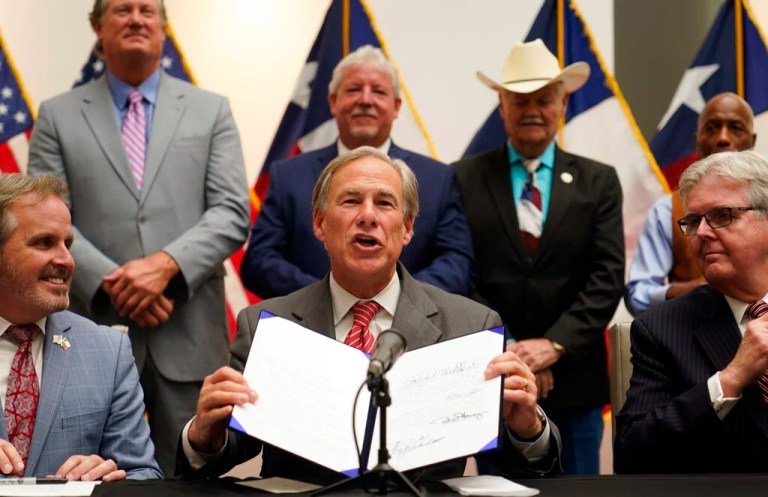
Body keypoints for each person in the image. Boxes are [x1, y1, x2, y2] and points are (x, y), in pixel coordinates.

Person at [177, 147, 561, 482]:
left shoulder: (471, 326)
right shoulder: (264, 326)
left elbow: (523, 464)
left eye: (385, 202)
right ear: (319, 223)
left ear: (407, 227)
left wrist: (528, 427)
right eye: (350, 200)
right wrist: (204, 435)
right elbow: (229, 449)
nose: (368, 216)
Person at [26, 0, 250, 475]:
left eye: (148, 10)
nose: (136, 18)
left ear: (164, 29)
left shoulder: (211, 110)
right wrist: (116, 283)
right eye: (122, 9)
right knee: (85, 474)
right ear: (97, 28)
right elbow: (42, 219)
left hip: (188, 335)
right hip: (88, 333)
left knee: (199, 474)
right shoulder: (57, 115)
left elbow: (232, 212)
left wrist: (165, 266)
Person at [452, 39, 624, 474]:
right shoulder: (462, 177)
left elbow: (606, 277)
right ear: (502, 105)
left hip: (576, 381)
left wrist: (553, 346)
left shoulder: (599, 181)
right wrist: (510, 350)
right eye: (520, 100)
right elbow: (459, 273)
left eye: (543, 100)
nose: (533, 110)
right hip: (494, 379)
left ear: (562, 104)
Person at [240, 45, 474, 299]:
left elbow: (458, 265)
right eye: (353, 89)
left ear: (396, 106)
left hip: (413, 332)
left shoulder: (437, 179)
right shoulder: (288, 176)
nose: (365, 99)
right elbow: (259, 262)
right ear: (333, 102)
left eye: (378, 91)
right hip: (308, 329)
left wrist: (397, 300)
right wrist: (328, 299)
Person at [0, 174, 162, 480]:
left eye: (67, 244)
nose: (66, 260)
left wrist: (111, 482)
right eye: (44, 242)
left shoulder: (108, 351)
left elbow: (145, 474)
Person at [615, 150, 768, 473]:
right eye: (694, 221)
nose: (702, 234)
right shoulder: (662, 329)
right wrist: (729, 380)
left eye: (722, 215)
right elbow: (632, 454)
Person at [625, 92, 756, 315]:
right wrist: (690, 291)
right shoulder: (667, 211)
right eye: (712, 127)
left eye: (735, 127)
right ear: (697, 140)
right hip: (693, 333)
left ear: (752, 141)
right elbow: (638, 294)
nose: (723, 138)